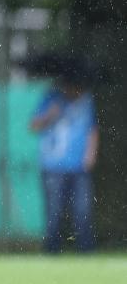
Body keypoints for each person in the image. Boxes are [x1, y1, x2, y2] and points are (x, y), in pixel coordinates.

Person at [30, 79, 98, 252]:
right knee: (54, 211)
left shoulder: (86, 101)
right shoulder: (50, 98)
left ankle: (86, 250)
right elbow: (34, 126)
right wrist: (50, 114)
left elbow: (92, 129)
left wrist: (90, 155)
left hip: (79, 166)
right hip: (53, 166)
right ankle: (52, 250)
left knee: (82, 210)